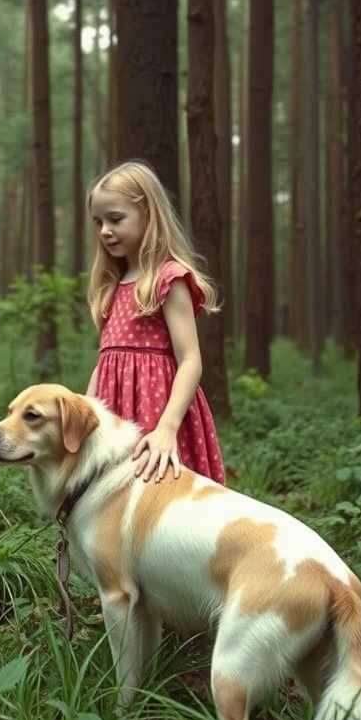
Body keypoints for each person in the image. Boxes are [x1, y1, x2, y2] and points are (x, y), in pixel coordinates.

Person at [85, 160, 226, 485]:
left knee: (163, 497)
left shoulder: (168, 279)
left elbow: (190, 360)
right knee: (116, 498)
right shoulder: (111, 285)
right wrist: (87, 412)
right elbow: (105, 363)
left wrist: (167, 427)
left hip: (159, 411)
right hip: (115, 415)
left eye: (115, 219)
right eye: (98, 222)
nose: (105, 230)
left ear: (148, 214)